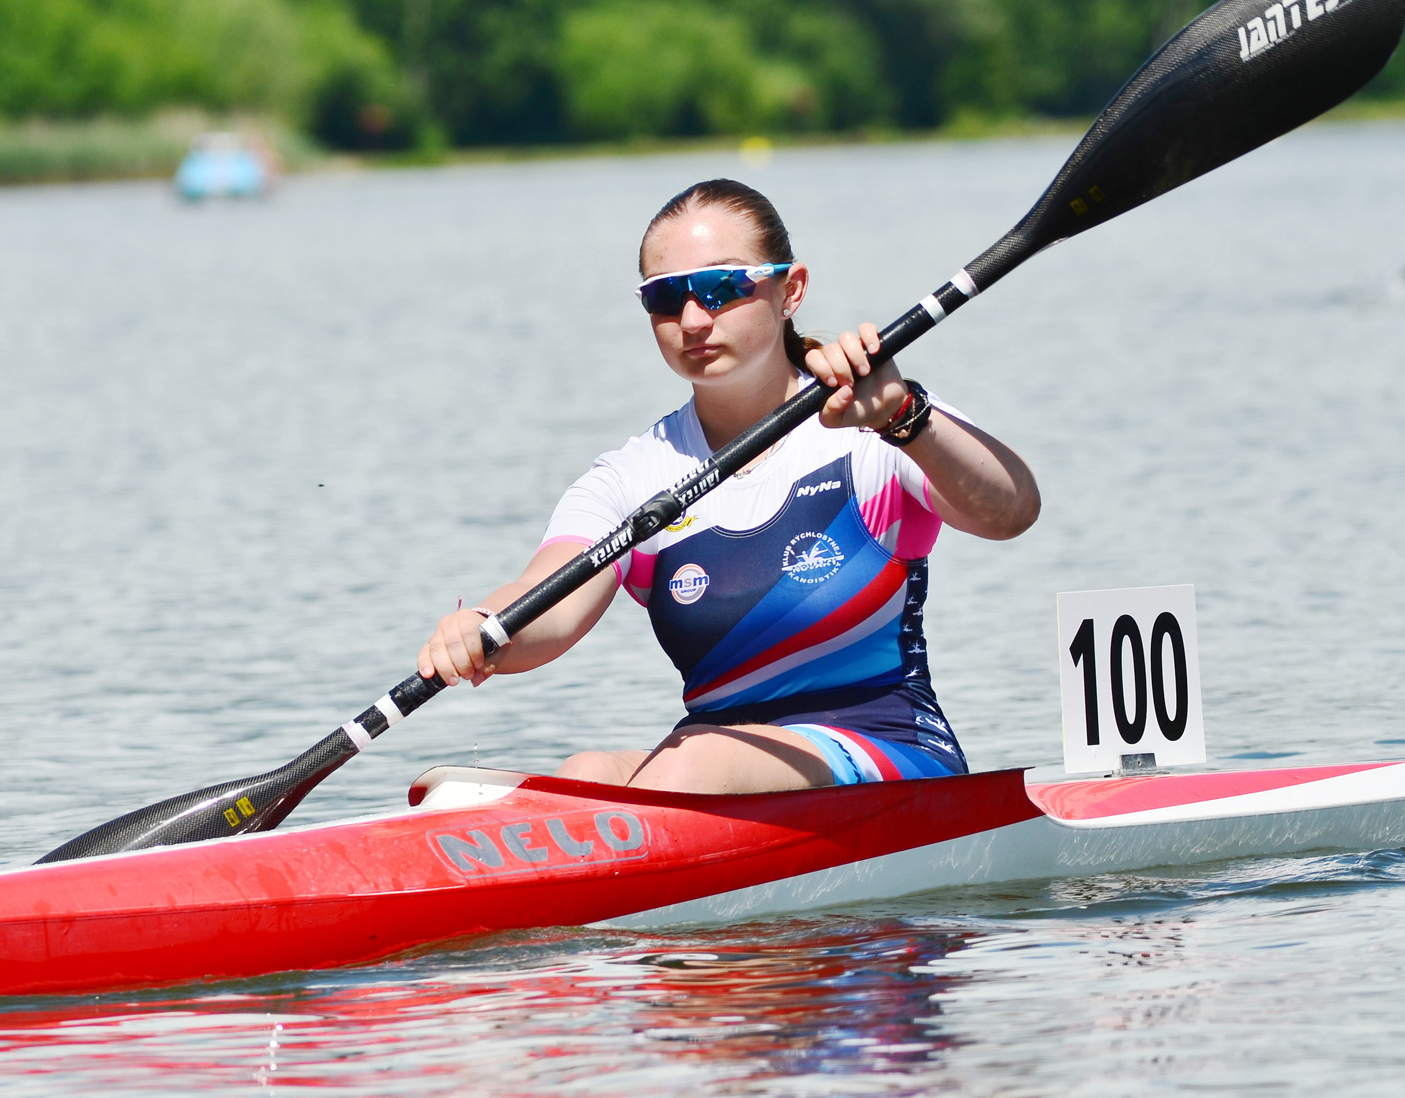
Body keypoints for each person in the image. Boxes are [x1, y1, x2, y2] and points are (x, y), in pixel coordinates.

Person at [417, 179, 1039, 793]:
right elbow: (549, 599)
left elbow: (1013, 511)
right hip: (709, 757)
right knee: (586, 772)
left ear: (790, 290)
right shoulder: (633, 475)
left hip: (889, 750)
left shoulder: (872, 416)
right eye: (665, 297)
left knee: (689, 763)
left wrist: (906, 419)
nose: (692, 320)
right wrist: (484, 627)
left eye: (721, 287)